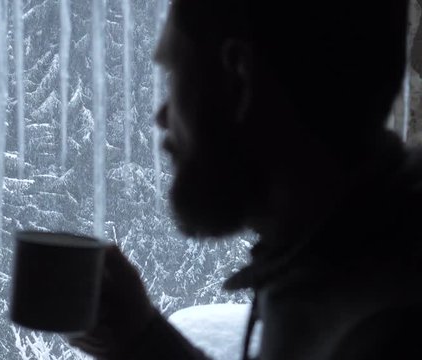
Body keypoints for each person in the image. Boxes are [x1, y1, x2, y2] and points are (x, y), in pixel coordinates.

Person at [69, 0, 422, 359]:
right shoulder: (347, 254)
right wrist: (141, 340)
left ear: (239, 79)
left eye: (176, 77)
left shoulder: (382, 333)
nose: (162, 118)